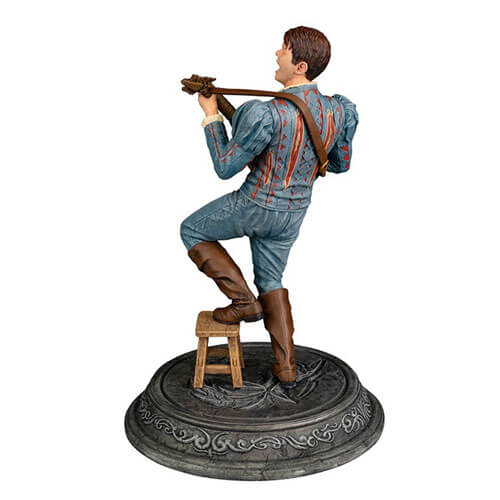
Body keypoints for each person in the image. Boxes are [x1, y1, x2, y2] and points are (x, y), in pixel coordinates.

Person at [180, 26, 359, 388]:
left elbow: (224, 166)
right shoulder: (339, 110)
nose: (277, 54)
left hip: (254, 203)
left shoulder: (266, 112)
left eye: (284, 49)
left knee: (192, 230)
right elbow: (340, 164)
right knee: (271, 281)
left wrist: (211, 115)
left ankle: (243, 302)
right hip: (293, 214)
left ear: (300, 66)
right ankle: (286, 369)